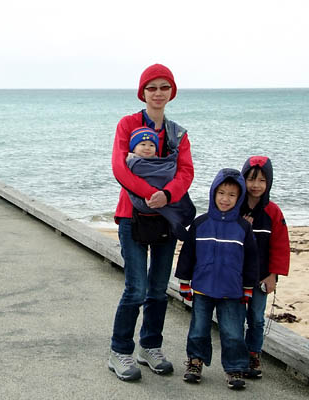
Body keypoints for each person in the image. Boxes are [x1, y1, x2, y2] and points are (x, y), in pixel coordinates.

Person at [108, 64, 194, 381]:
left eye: (164, 87)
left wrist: (167, 196)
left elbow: (186, 172)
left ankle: (150, 346)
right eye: (152, 87)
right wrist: (149, 193)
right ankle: (119, 351)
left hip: (165, 218)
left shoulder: (177, 134)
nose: (158, 93)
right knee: (136, 288)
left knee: (158, 289)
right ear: (142, 92)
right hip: (132, 216)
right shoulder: (127, 124)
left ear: (171, 92)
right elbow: (120, 166)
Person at [176, 168, 259, 390]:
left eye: (232, 195)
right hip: (203, 288)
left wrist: (248, 287)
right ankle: (195, 362)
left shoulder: (243, 227)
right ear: (213, 193)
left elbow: (251, 259)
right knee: (198, 329)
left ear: (239, 197)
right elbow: (188, 254)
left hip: (232, 291)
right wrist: (184, 282)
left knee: (232, 332)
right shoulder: (200, 223)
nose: (225, 199)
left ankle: (234, 368)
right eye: (221, 193)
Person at [240, 156, 290, 379]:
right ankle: (236, 356)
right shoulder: (234, 208)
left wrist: (273, 275)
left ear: (268, 182)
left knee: (257, 319)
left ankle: (254, 354)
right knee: (234, 318)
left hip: (261, 277)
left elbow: (280, 246)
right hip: (236, 277)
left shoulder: (273, 212)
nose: (256, 185)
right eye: (251, 179)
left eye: (262, 180)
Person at [126, 127, 196, 241]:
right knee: (173, 208)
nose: (147, 148)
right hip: (144, 203)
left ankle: (178, 219)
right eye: (142, 144)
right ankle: (178, 222)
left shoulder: (158, 162)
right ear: (133, 148)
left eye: (152, 145)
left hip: (160, 201)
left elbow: (173, 171)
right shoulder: (134, 163)